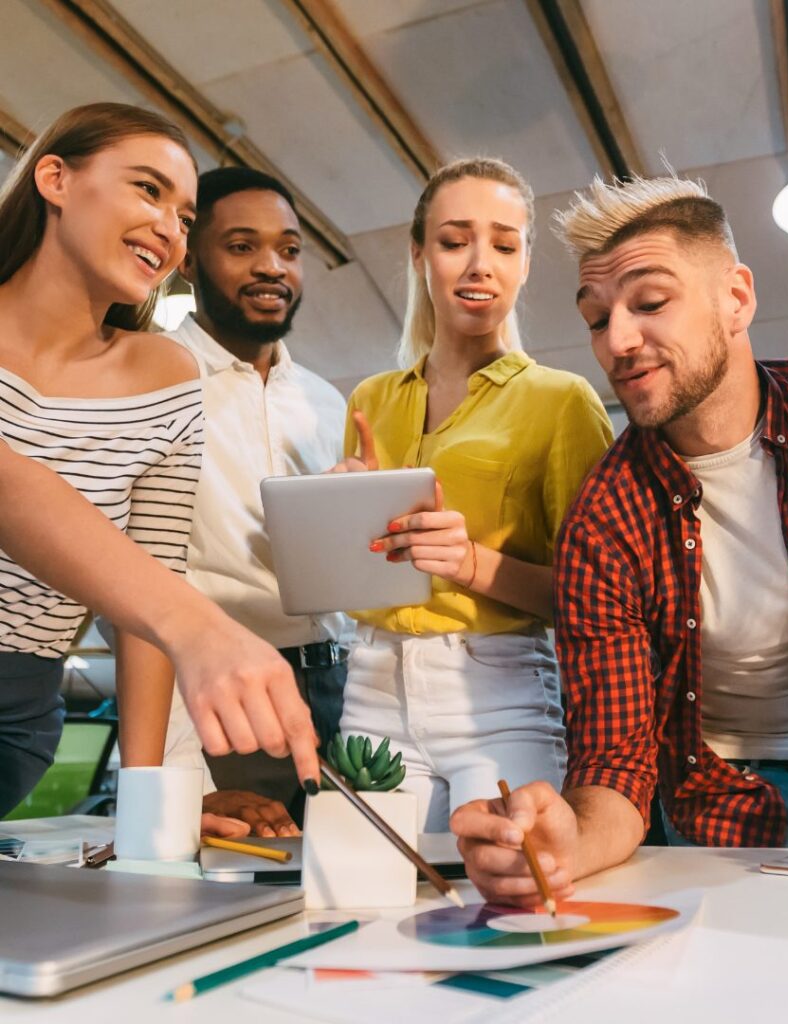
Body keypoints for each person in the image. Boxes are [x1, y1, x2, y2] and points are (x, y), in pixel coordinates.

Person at [451, 175, 788, 905]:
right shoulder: (604, 515)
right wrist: (564, 847)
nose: (617, 340)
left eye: (650, 303)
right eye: (596, 318)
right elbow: (615, 765)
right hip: (703, 804)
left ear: (737, 299)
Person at [0, 103, 319, 816]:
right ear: (55, 178)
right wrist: (198, 625)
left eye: (182, 217)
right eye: (148, 190)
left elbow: (150, 579)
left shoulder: (165, 376)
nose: (169, 232)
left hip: (15, 719)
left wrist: (155, 800)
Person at [339, 157, 613, 832]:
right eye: (454, 241)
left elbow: (598, 603)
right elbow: (354, 579)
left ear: (525, 264)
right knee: (358, 901)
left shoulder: (562, 402)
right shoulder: (371, 399)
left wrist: (470, 564)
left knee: (514, 903)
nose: (478, 264)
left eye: (503, 244)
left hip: (500, 694)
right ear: (418, 255)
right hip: (371, 685)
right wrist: (342, 529)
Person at [162, 166, 354, 836]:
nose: (271, 267)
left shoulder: (329, 401)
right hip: (222, 702)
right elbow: (126, 602)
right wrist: (179, 775)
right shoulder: (150, 379)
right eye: (242, 247)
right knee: (232, 902)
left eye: (290, 250)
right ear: (187, 258)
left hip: (344, 699)